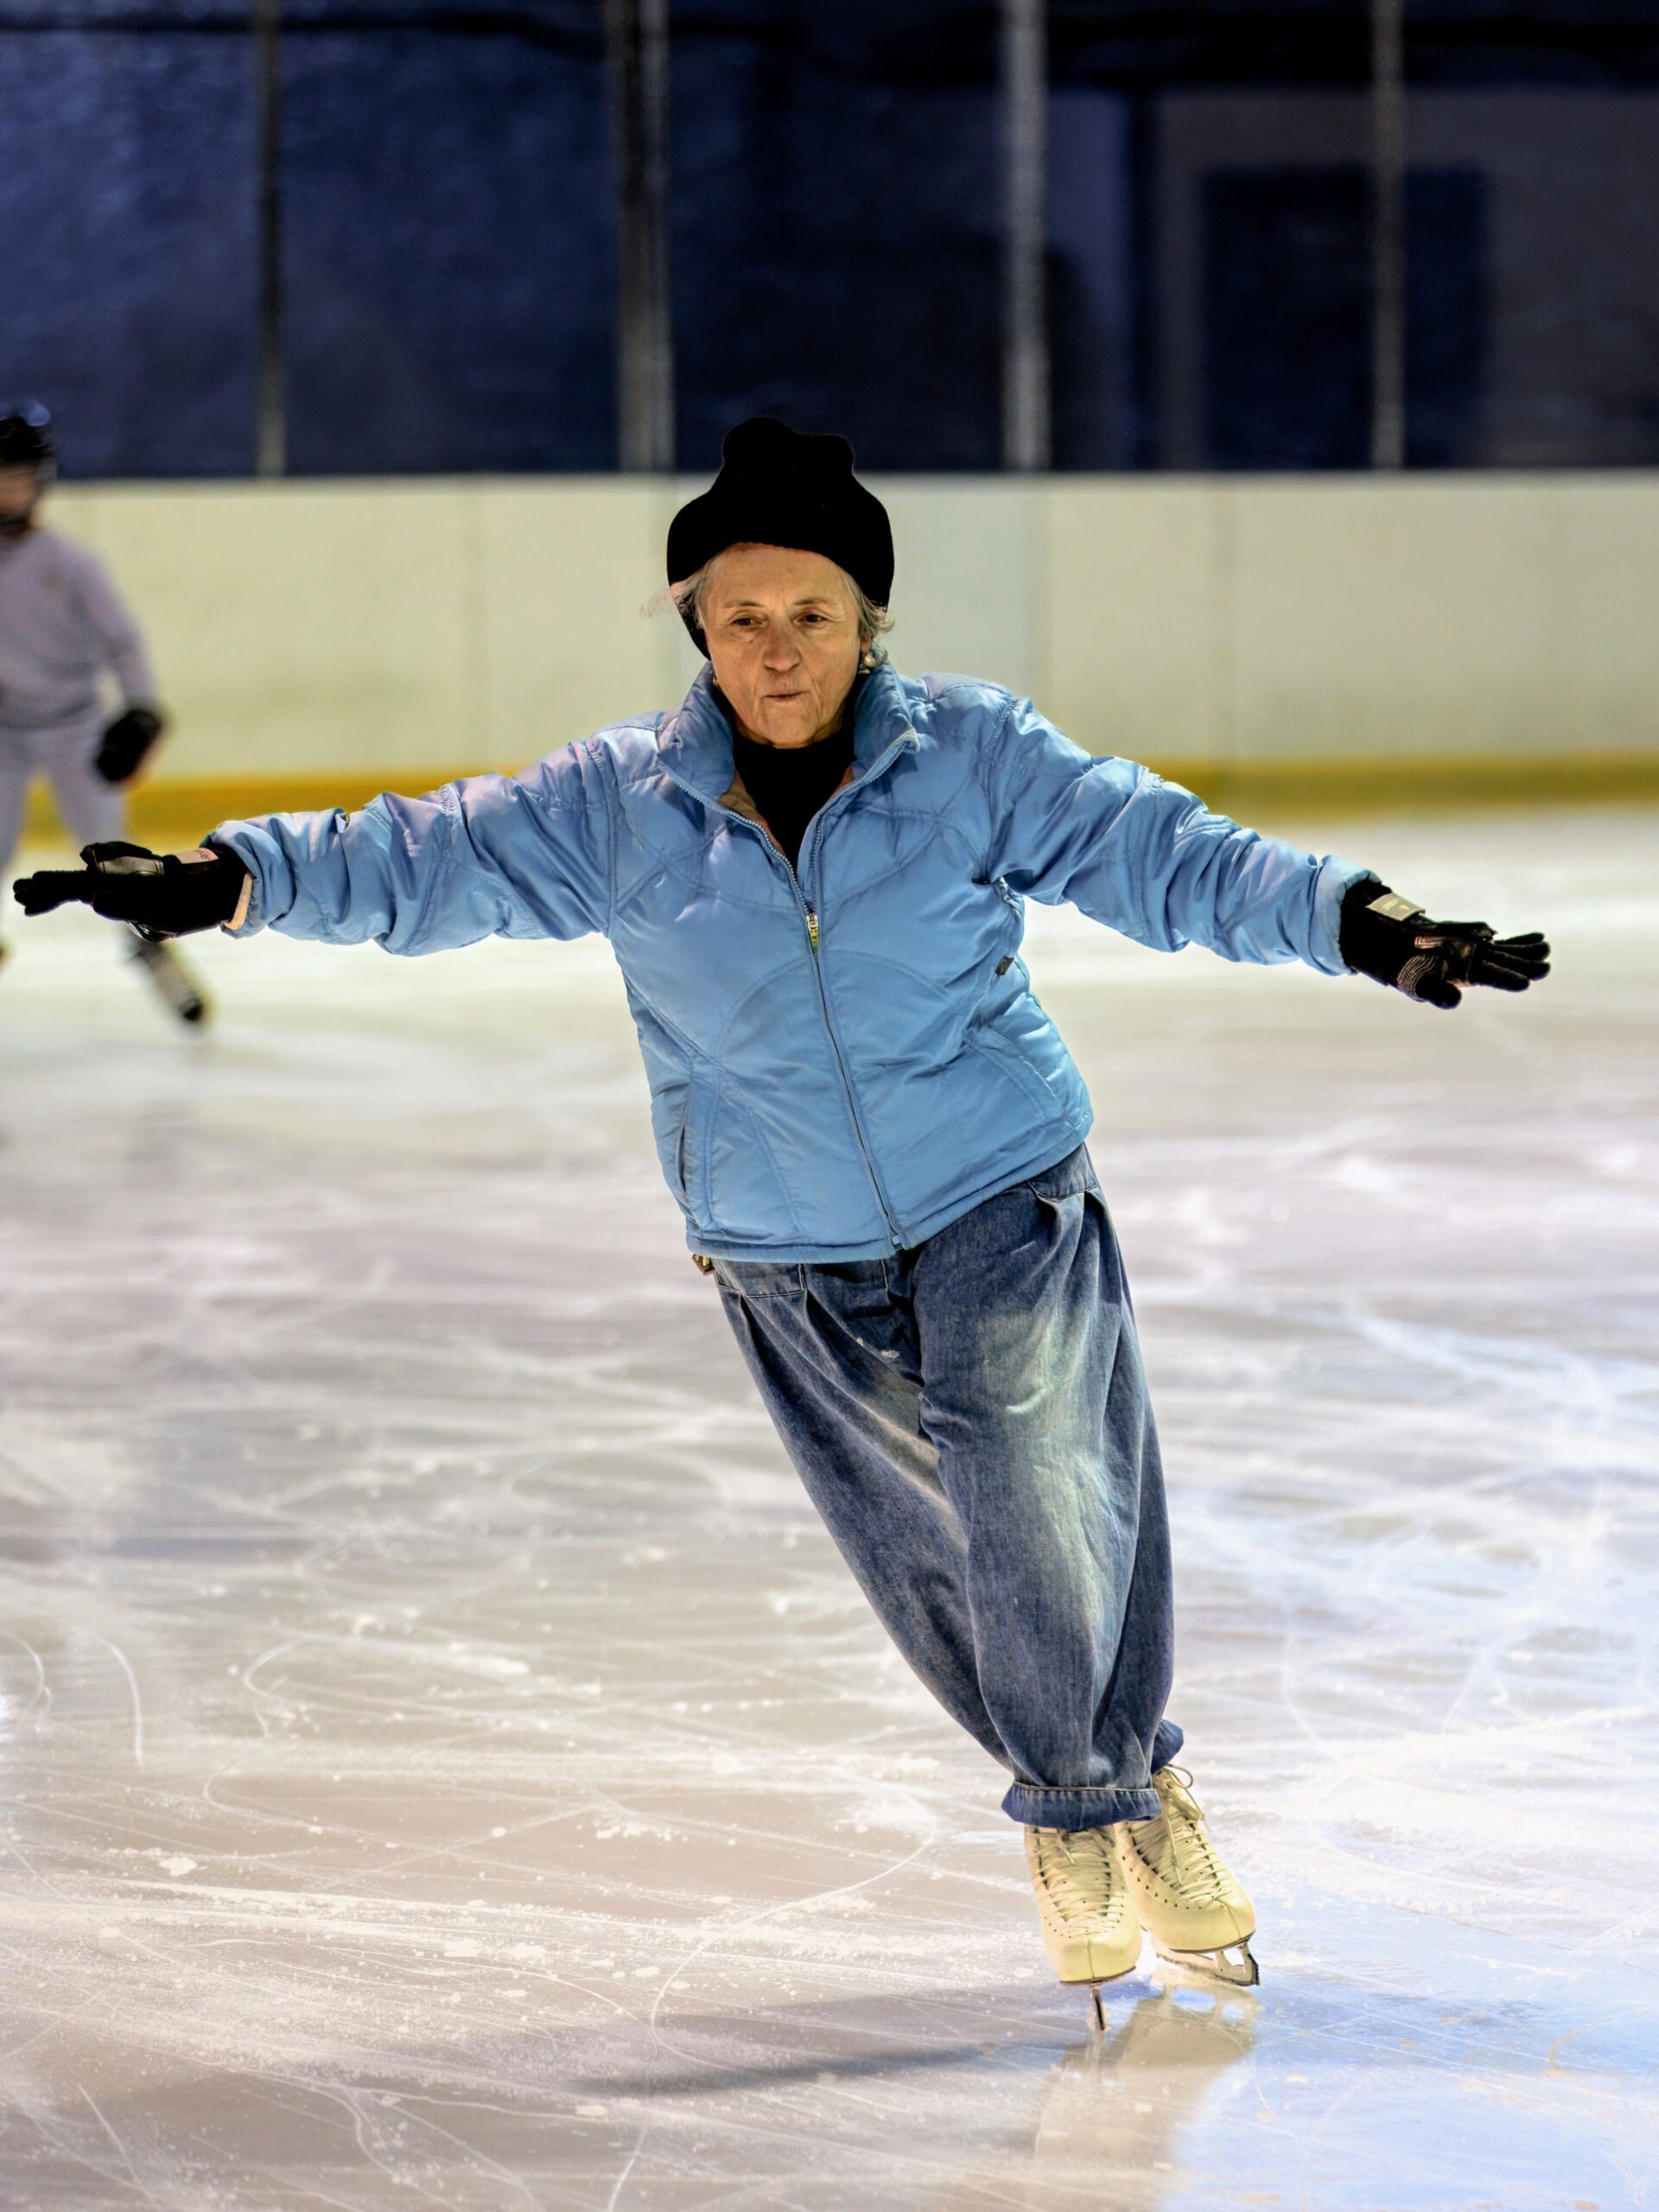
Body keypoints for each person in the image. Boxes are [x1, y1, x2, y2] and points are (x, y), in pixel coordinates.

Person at [12, 416, 1549, 2018]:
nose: (777, 647)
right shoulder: (622, 802)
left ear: (868, 623)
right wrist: (223, 881)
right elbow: (430, 855)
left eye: (811, 612)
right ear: (695, 623)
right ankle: (1126, 1784)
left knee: (1046, 1500)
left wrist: (1365, 928)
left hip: (993, 1187)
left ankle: (1085, 1815)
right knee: (931, 1561)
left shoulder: (972, 755)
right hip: (776, 1237)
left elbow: (1161, 849)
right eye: (741, 614)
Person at [0, 404, 207, 1021]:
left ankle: (152, 944)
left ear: (42, 483)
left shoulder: (71, 564)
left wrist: (141, 709)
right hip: (4, 727)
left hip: (75, 728)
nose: (11, 490)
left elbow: (123, 640)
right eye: (1, 477)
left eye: (21, 477)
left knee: (112, 854)